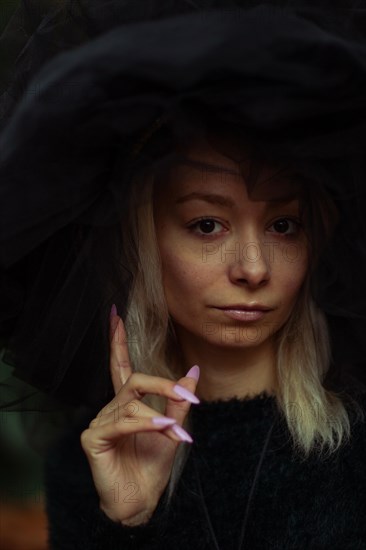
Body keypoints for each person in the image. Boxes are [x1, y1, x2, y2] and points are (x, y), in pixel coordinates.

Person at [1, 2, 366, 549]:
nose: (253, 268)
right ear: (144, 240)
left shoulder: (358, 449)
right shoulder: (91, 466)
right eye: (207, 224)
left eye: (284, 225)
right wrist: (124, 523)